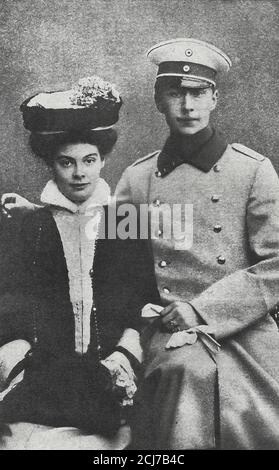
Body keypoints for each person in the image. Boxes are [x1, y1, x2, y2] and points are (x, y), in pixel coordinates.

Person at [113, 39, 279, 450]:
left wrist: (203, 309)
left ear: (214, 98)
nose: (187, 105)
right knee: (186, 376)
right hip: (166, 327)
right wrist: (39, 211)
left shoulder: (252, 171)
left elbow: (276, 263)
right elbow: (115, 262)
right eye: (175, 93)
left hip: (244, 325)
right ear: (158, 100)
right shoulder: (138, 179)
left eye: (198, 93)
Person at [0, 76, 157, 450]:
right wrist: (18, 352)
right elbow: (13, 298)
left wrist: (124, 355)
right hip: (43, 378)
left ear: (103, 160)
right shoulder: (29, 223)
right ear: (51, 164)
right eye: (65, 162)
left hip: (113, 374)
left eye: (89, 160)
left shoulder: (126, 219)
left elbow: (146, 295)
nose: (79, 173)